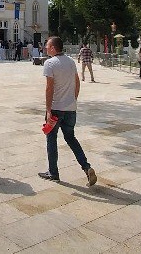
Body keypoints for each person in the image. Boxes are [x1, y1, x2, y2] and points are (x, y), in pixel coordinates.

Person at [38, 36, 97, 186]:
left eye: (47, 45)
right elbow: (77, 82)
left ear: (53, 48)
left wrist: (48, 109)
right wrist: (73, 99)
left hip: (56, 108)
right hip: (70, 108)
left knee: (51, 139)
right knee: (71, 138)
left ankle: (53, 172)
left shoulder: (50, 63)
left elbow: (49, 87)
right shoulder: (70, 62)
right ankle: (86, 166)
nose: (45, 48)